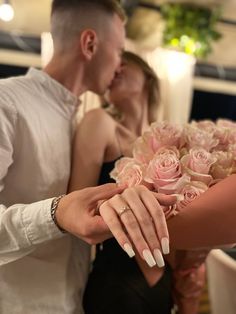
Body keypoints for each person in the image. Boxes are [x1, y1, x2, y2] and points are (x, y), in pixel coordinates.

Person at [0, 1, 176, 313]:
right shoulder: (6, 102)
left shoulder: (80, 119)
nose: (120, 62)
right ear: (90, 43)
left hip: (78, 301)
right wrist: (55, 214)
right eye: (119, 49)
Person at [69, 51, 207, 314]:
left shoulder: (170, 143)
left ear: (148, 75)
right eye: (112, 65)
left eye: (124, 62)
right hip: (118, 280)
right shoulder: (100, 122)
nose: (115, 67)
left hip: (164, 277)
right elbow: (79, 208)